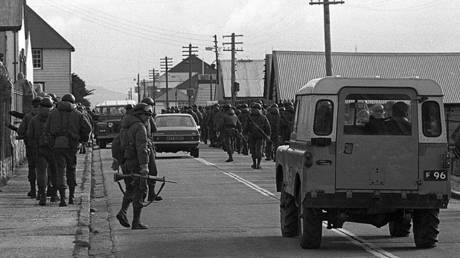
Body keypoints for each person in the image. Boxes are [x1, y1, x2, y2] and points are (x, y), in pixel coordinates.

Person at [45, 93, 92, 207]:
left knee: (60, 171)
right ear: (73, 102)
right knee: (71, 169)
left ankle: (62, 198)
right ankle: (71, 197)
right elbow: (88, 128)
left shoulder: (52, 114)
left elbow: (46, 130)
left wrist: (52, 142)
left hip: (57, 145)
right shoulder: (78, 114)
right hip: (72, 145)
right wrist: (82, 139)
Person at [115, 103, 154, 230]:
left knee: (130, 189)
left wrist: (118, 161)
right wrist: (144, 166)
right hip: (137, 163)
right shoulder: (140, 127)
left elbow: (116, 145)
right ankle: (136, 222)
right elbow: (142, 148)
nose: (148, 117)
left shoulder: (125, 127)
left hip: (126, 162)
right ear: (139, 114)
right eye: (146, 115)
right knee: (141, 190)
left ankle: (123, 212)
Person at [27, 97, 56, 205]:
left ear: (40, 107)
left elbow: (30, 135)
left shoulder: (34, 120)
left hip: (39, 149)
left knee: (41, 172)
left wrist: (33, 146)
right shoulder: (53, 118)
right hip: (53, 149)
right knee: (54, 172)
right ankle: (54, 194)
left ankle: (42, 194)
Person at [17, 96, 42, 198]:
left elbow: (21, 131)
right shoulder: (49, 115)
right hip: (46, 146)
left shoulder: (28, 117)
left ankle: (33, 190)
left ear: (32, 105)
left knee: (32, 167)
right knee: (44, 168)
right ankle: (43, 190)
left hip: (31, 145)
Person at [244, 103, 271, 169]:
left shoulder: (250, 117)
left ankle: (254, 163)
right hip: (260, 136)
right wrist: (268, 135)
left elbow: (246, 127)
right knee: (259, 150)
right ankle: (258, 164)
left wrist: (244, 133)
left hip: (252, 136)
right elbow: (268, 127)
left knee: (253, 150)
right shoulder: (263, 117)